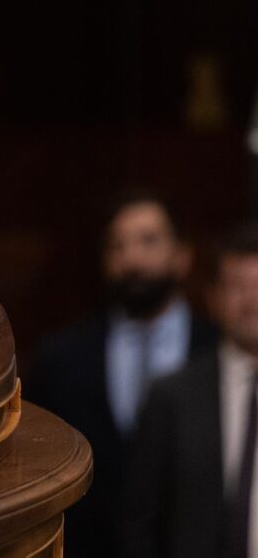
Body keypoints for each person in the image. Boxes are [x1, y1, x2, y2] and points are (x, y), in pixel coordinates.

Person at [26, 191, 217, 558]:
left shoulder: (217, 351)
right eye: (117, 246)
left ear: (183, 256)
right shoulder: (62, 357)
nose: (131, 259)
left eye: (148, 241)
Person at [122, 223, 258, 558]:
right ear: (213, 299)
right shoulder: (172, 396)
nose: (251, 300)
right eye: (237, 286)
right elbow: (139, 523)